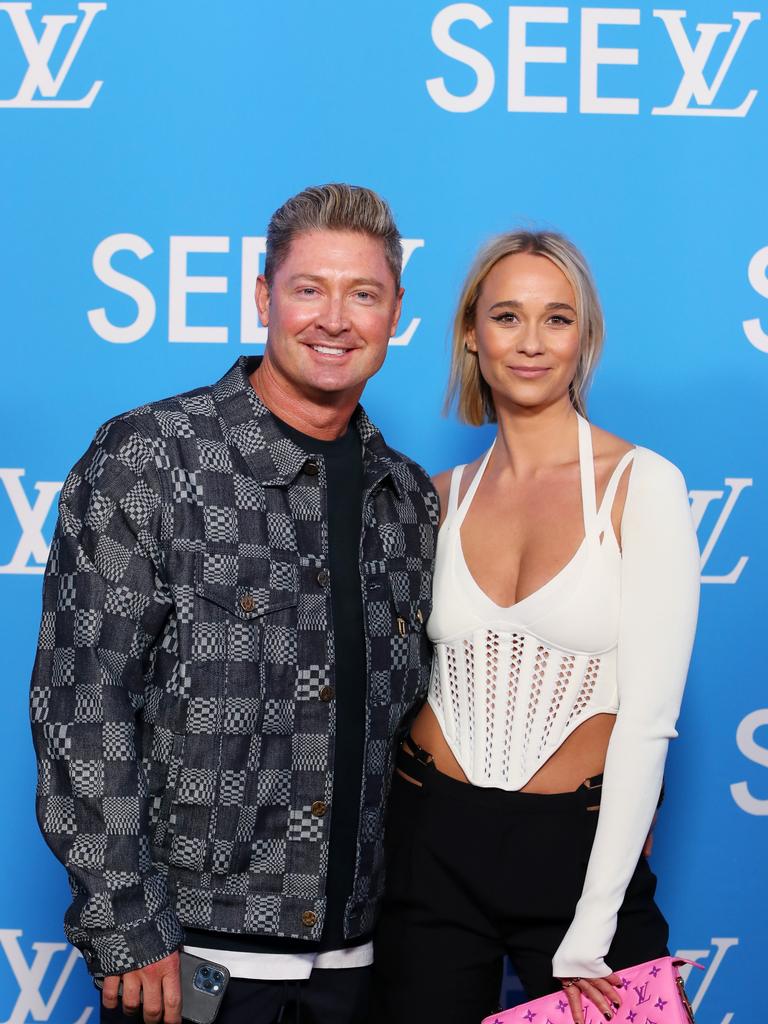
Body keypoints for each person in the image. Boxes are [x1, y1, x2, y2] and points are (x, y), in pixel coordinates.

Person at [30, 183, 438, 1024]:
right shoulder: (151, 458)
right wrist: (125, 923)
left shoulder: (407, 501)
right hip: (188, 967)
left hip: (359, 966)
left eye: (363, 294)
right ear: (262, 296)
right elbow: (81, 697)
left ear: (395, 312)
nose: (335, 319)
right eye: (308, 289)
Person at [371, 231, 700, 1024]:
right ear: (470, 335)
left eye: (556, 319)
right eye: (507, 316)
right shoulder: (436, 496)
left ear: (584, 339)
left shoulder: (642, 484)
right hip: (430, 845)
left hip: (579, 854)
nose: (530, 342)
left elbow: (649, 722)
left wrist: (595, 920)